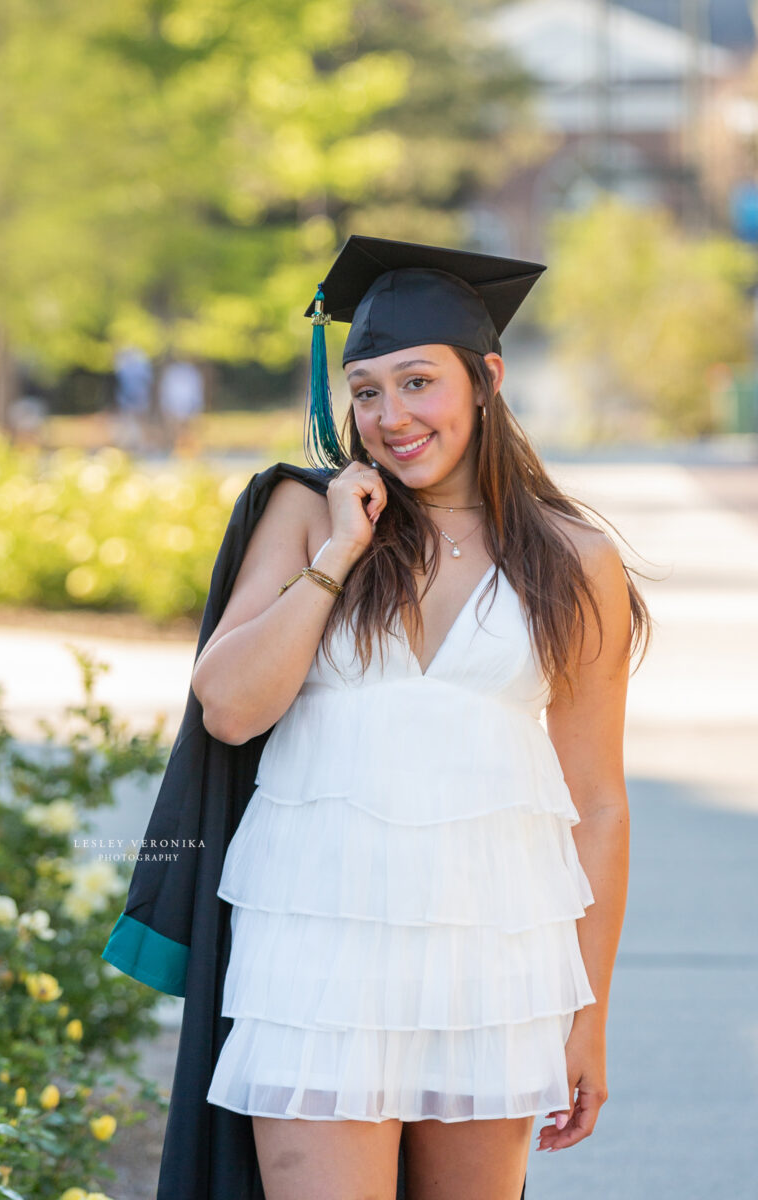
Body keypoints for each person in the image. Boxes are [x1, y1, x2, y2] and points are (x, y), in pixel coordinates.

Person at [185, 235, 652, 1199]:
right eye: (365, 390)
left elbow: (598, 804)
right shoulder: (307, 515)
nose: (390, 416)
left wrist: (587, 1017)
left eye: (416, 382)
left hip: (495, 954)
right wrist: (342, 553)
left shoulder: (572, 559)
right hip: (319, 951)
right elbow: (229, 709)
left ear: (486, 380)